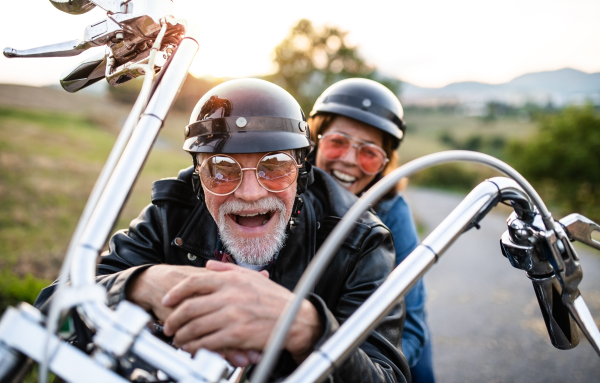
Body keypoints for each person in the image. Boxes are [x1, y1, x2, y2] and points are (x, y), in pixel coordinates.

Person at [35, 78, 410, 382]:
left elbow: (387, 375)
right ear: (199, 179)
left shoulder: (361, 241)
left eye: (275, 165)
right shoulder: (173, 211)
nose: (249, 193)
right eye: (222, 169)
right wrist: (139, 284)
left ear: (303, 171)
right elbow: (51, 312)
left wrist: (308, 327)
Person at [308, 78, 435, 383]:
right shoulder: (285, 190)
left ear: (384, 164)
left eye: (368, 153)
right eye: (338, 142)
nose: (349, 160)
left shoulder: (393, 212)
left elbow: (411, 326)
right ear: (315, 140)